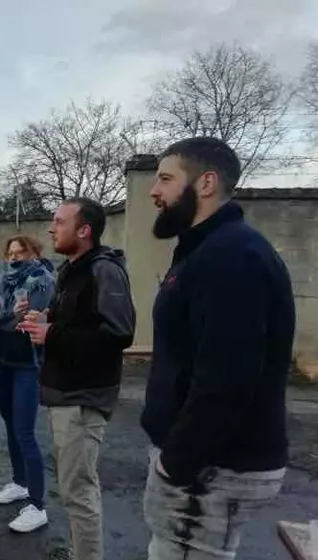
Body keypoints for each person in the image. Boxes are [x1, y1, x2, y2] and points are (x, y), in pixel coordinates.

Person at [141, 137, 295, 559]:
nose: (154, 190)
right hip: (202, 465)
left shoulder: (231, 256)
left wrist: (176, 461)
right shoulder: (205, 250)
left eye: (166, 178)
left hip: (210, 470)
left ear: (205, 183)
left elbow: (228, 377)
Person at [18, 198, 135, 560]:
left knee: (79, 492)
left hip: (84, 398)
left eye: (59, 221)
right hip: (64, 393)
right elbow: (70, 321)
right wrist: (41, 318)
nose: (52, 228)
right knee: (73, 489)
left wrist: (52, 334)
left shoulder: (104, 270)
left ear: (84, 230)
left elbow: (120, 334)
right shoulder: (70, 269)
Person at [0, 235, 55, 533]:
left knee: (24, 432)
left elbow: (24, 322)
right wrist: (6, 314)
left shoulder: (43, 281)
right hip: (3, 361)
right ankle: (20, 482)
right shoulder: (4, 278)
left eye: (21, 251)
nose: (14, 257)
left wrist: (3, 316)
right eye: (10, 252)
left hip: (27, 364)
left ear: (34, 252)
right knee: (10, 423)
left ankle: (38, 505)